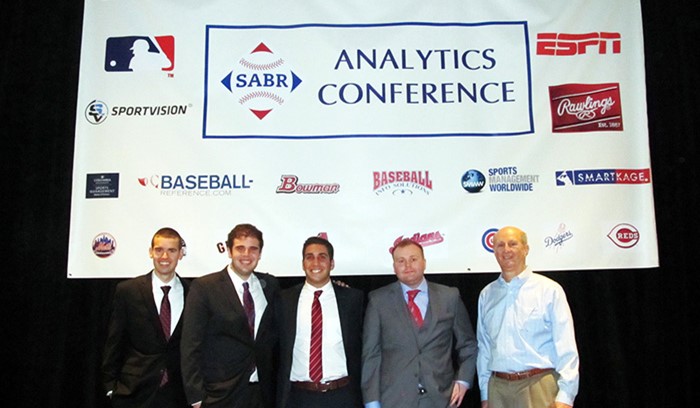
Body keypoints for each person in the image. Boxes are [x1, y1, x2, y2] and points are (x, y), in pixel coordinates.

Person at [362, 238, 477, 408]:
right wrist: (372, 402)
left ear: (424, 263)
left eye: (413, 259)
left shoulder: (449, 297)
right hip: (394, 400)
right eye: (401, 261)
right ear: (394, 267)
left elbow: (468, 345)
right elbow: (371, 354)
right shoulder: (378, 300)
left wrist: (463, 380)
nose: (407, 265)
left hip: (441, 399)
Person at [476, 226, 579, 408]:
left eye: (513, 244)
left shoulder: (549, 290)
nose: (506, 250)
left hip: (539, 386)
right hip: (497, 390)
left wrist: (565, 396)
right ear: (494, 251)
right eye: (500, 245)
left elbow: (566, 346)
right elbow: (484, 348)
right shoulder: (487, 295)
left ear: (526, 249)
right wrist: (485, 393)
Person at [180, 224, 279, 408]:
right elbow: (190, 345)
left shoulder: (270, 285)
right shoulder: (204, 288)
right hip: (219, 395)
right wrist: (195, 395)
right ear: (229, 251)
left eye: (253, 249)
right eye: (240, 248)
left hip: (262, 393)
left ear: (260, 253)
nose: (246, 254)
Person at [101, 227, 189, 408]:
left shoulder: (194, 293)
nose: (164, 256)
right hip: (134, 393)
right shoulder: (128, 291)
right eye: (159, 250)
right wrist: (111, 387)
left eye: (171, 250)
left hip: (179, 394)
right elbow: (115, 340)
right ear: (151, 252)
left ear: (181, 254)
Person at [276, 236, 364, 408]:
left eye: (322, 257)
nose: (315, 263)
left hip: (342, 396)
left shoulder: (353, 299)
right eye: (309, 257)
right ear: (303, 264)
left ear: (331, 263)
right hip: (297, 397)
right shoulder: (284, 300)